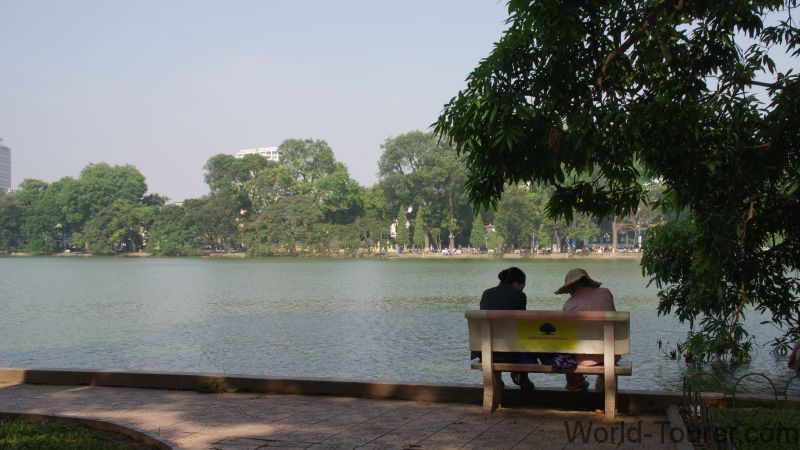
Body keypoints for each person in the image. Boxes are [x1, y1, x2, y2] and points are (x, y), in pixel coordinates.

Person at [474, 267, 535, 391]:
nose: (523, 288)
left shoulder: (487, 293)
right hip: (512, 353)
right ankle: (522, 377)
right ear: (516, 283)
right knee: (527, 335)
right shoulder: (519, 296)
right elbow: (521, 324)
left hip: (486, 352)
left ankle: (496, 380)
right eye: (523, 285)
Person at [555, 268, 616, 391]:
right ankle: (603, 384)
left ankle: (574, 382)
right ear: (588, 282)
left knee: (566, 348)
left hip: (580, 358)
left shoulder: (569, 305)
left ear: (571, 288)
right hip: (609, 354)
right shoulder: (606, 293)